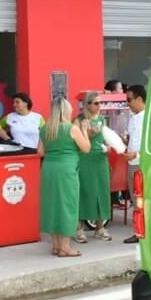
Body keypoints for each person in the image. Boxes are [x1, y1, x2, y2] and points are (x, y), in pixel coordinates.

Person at [38, 96, 91, 257]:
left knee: (52, 205)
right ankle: (65, 247)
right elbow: (86, 148)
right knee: (68, 206)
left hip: (48, 169)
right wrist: (84, 130)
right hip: (66, 170)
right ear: (65, 111)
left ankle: (56, 245)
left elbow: (40, 152)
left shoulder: (45, 129)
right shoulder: (71, 129)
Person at [74, 91, 112, 244]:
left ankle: (100, 227)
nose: (99, 106)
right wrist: (88, 133)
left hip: (100, 158)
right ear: (88, 104)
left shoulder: (102, 119)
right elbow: (75, 141)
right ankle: (79, 229)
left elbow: (107, 138)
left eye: (100, 103)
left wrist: (109, 147)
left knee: (101, 191)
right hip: (85, 159)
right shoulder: (79, 120)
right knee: (84, 192)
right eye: (96, 103)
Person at [122, 84, 146, 244]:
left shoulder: (149, 118)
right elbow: (132, 140)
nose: (128, 103)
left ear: (139, 99)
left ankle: (143, 232)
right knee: (135, 199)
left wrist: (136, 154)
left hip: (143, 163)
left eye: (129, 99)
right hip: (131, 163)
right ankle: (138, 231)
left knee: (143, 200)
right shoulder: (132, 119)